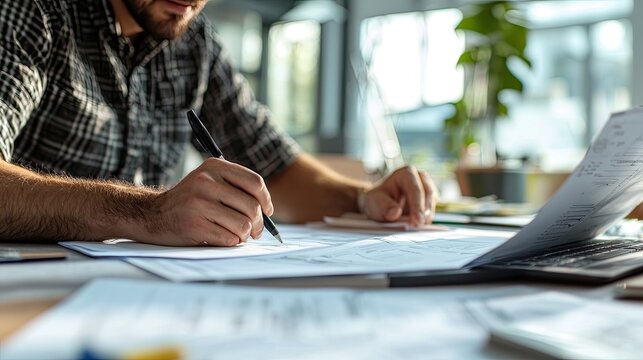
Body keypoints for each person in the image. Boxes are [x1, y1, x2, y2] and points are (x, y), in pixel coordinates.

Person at [0, 0, 438, 247]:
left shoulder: (195, 42)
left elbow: (272, 165)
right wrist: (149, 212)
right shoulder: (36, 11)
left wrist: (365, 200)